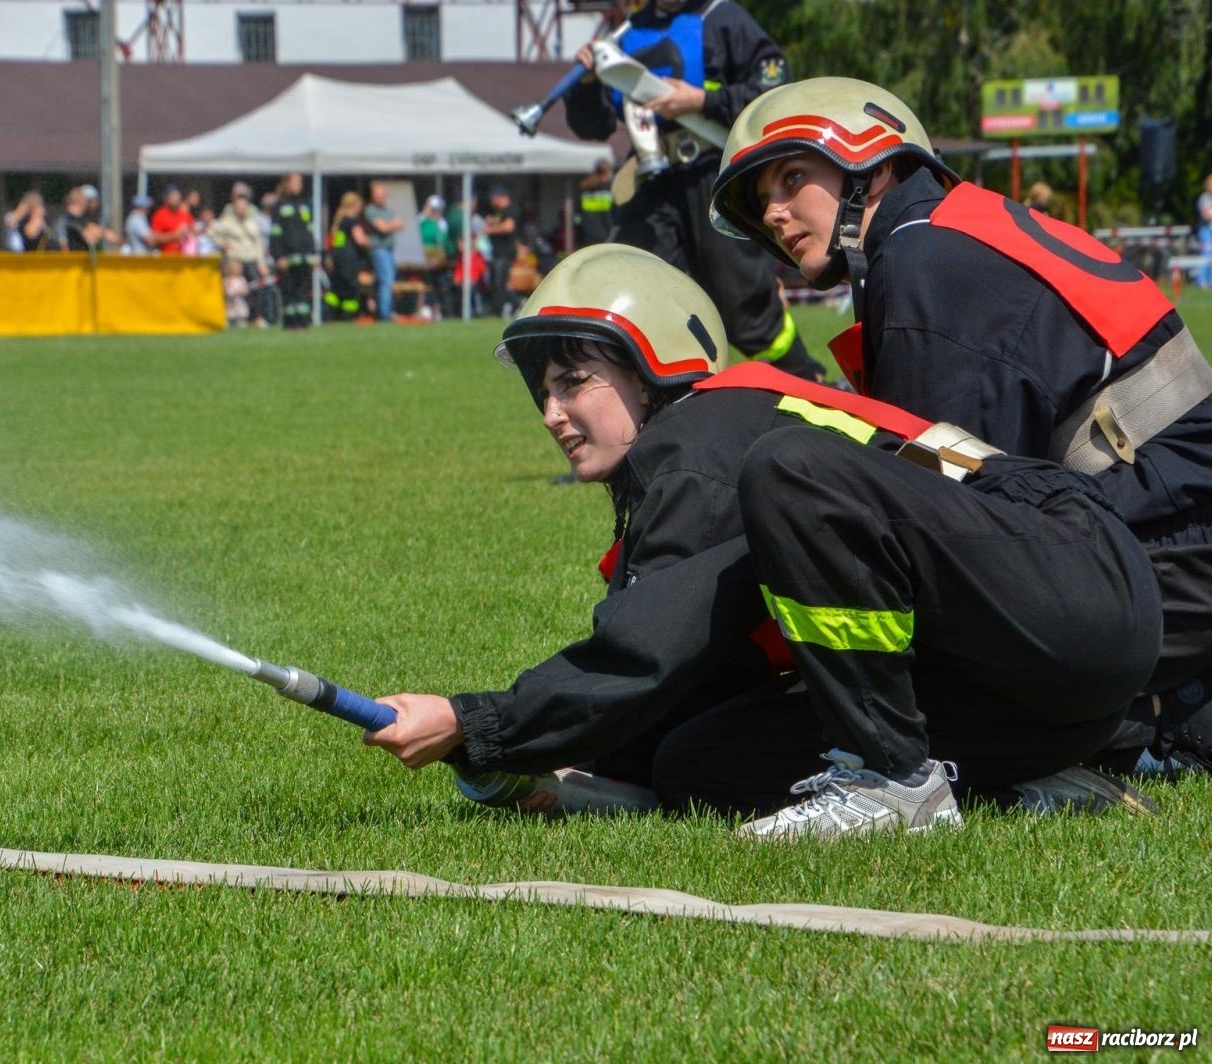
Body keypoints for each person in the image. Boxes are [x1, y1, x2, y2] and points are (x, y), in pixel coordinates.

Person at [365, 243, 1158, 835]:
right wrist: (555, 767)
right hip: (1034, 688)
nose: (551, 415)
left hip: (1070, 579)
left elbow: (651, 647)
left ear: (653, 367)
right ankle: (1028, 783)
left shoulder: (699, 437)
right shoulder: (711, 445)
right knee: (697, 763)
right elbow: (686, 681)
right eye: (543, 393)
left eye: (574, 382)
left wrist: (480, 723)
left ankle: (891, 782)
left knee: (793, 470)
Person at [710, 75, 1212, 776]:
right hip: (1171, 536)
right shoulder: (948, 232)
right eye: (763, 197)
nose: (773, 212)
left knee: (758, 736)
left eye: (793, 178)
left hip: (1167, 561)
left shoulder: (923, 261)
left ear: (873, 167)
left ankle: (1140, 724)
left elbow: (943, 520)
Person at [562, 0, 826, 383]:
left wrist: (702, 101)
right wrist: (585, 85)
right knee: (637, 289)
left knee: (744, 309)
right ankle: (670, 398)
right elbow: (594, 126)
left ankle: (806, 382)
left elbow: (775, 90)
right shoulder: (623, 35)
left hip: (713, 176)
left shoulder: (722, 18)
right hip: (650, 182)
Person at [211, 183, 275, 327]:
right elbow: (212, 232)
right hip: (235, 260)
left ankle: (258, 317)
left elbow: (258, 244)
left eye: (243, 207)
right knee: (233, 289)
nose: (241, 210)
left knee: (257, 288)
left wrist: (262, 264)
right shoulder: (227, 222)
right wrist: (223, 244)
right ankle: (233, 318)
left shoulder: (252, 222)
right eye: (239, 207)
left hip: (252, 259)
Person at [268, 172, 317, 330]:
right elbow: (275, 233)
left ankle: (303, 323)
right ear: (287, 184)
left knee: (303, 292)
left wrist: (314, 254)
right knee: (289, 292)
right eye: (295, 182)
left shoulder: (303, 206)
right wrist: (278, 256)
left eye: (300, 183)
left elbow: (309, 232)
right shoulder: (279, 206)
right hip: (287, 259)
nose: (298, 186)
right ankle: (290, 325)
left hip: (304, 258)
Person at [324, 191, 371, 321]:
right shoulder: (352, 221)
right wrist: (374, 242)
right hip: (349, 262)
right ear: (354, 206)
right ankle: (347, 317)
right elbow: (360, 240)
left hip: (338, 261)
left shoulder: (339, 222)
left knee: (336, 289)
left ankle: (330, 315)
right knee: (351, 290)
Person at [363, 182, 404, 322]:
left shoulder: (388, 210)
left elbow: (401, 224)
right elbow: (383, 228)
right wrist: (391, 225)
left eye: (382, 195)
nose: (381, 198)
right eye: (378, 196)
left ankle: (383, 310)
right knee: (386, 281)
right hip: (379, 249)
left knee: (386, 280)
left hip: (389, 249)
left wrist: (388, 225)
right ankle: (384, 314)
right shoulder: (370, 210)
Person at [482, 187, 521, 317]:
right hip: (497, 252)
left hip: (505, 252)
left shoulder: (510, 210)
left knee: (500, 282)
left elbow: (508, 227)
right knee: (496, 282)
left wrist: (490, 230)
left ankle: (501, 309)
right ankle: (513, 303)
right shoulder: (498, 212)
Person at [418, 195, 454, 321]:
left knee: (440, 283)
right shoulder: (421, 221)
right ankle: (426, 308)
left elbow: (444, 243)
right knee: (427, 283)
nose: (434, 212)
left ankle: (438, 310)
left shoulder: (442, 223)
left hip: (438, 261)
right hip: (422, 260)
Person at [573, 160, 616, 247]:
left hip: (586, 237)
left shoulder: (584, 190)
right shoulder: (610, 190)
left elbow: (577, 217)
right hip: (605, 237)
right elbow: (616, 216)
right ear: (607, 173)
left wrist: (579, 232)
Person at [150, 186, 195, 256]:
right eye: (172, 196)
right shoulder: (159, 215)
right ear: (166, 199)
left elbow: (193, 233)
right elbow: (154, 239)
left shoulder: (185, 214)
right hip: (167, 257)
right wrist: (174, 235)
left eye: (177, 196)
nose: (175, 199)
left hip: (185, 257)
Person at [1196, 173, 1212, 290]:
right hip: (1206, 230)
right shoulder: (1204, 198)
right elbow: (1206, 215)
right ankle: (1201, 281)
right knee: (1206, 255)